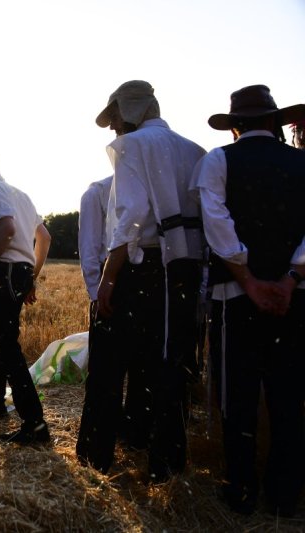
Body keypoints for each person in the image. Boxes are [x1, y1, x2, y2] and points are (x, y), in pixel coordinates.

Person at [78, 80, 205, 481]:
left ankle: (95, 459)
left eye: (114, 118)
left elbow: (132, 216)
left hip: (139, 268)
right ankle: (163, 463)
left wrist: (108, 280)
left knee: (108, 365)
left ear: (130, 111)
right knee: (168, 365)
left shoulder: (132, 146)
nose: (113, 128)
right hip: (184, 270)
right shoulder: (195, 151)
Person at [193, 85, 305, 516]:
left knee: (237, 397)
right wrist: (290, 280)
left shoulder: (219, 160)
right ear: (275, 123)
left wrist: (249, 280)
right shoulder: (302, 164)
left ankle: (240, 490)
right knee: (287, 396)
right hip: (292, 301)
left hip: (234, 299)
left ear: (235, 126)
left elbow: (216, 222)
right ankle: (284, 496)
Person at [0, 153, 52, 445]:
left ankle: (35, 423)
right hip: (21, 270)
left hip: (3, 269)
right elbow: (45, 237)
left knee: (6, 343)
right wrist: (31, 277)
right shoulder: (21, 194)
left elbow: (7, 230)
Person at [78, 175, 151, 450]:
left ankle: (106, 443)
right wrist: (95, 291)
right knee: (131, 370)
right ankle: (128, 436)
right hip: (125, 283)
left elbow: (89, 248)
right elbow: (89, 246)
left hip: (117, 283)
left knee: (110, 372)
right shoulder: (98, 193)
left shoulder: (98, 191)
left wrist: (97, 293)